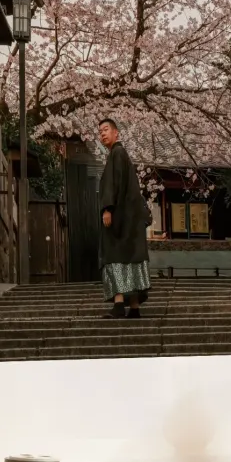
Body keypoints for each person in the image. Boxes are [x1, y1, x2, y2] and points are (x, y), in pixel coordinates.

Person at [97, 117, 151, 318]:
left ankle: (119, 304)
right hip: (130, 221)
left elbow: (113, 184)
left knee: (116, 257)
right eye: (100, 131)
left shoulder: (117, 154)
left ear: (116, 133)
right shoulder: (121, 155)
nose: (102, 134)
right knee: (131, 258)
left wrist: (107, 208)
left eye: (106, 130)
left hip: (120, 219)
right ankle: (134, 307)